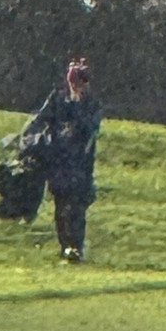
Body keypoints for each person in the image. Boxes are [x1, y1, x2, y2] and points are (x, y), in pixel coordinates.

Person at [22, 56, 103, 263]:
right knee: (61, 207)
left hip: (80, 165)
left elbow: (88, 129)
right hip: (59, 162)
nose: (76, 86)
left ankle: (75, 247)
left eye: (80, 81)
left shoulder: (91, 104)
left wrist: (77, 106)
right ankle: (65, 247)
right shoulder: (57, 99)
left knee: (76, 208)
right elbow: (38, 122)